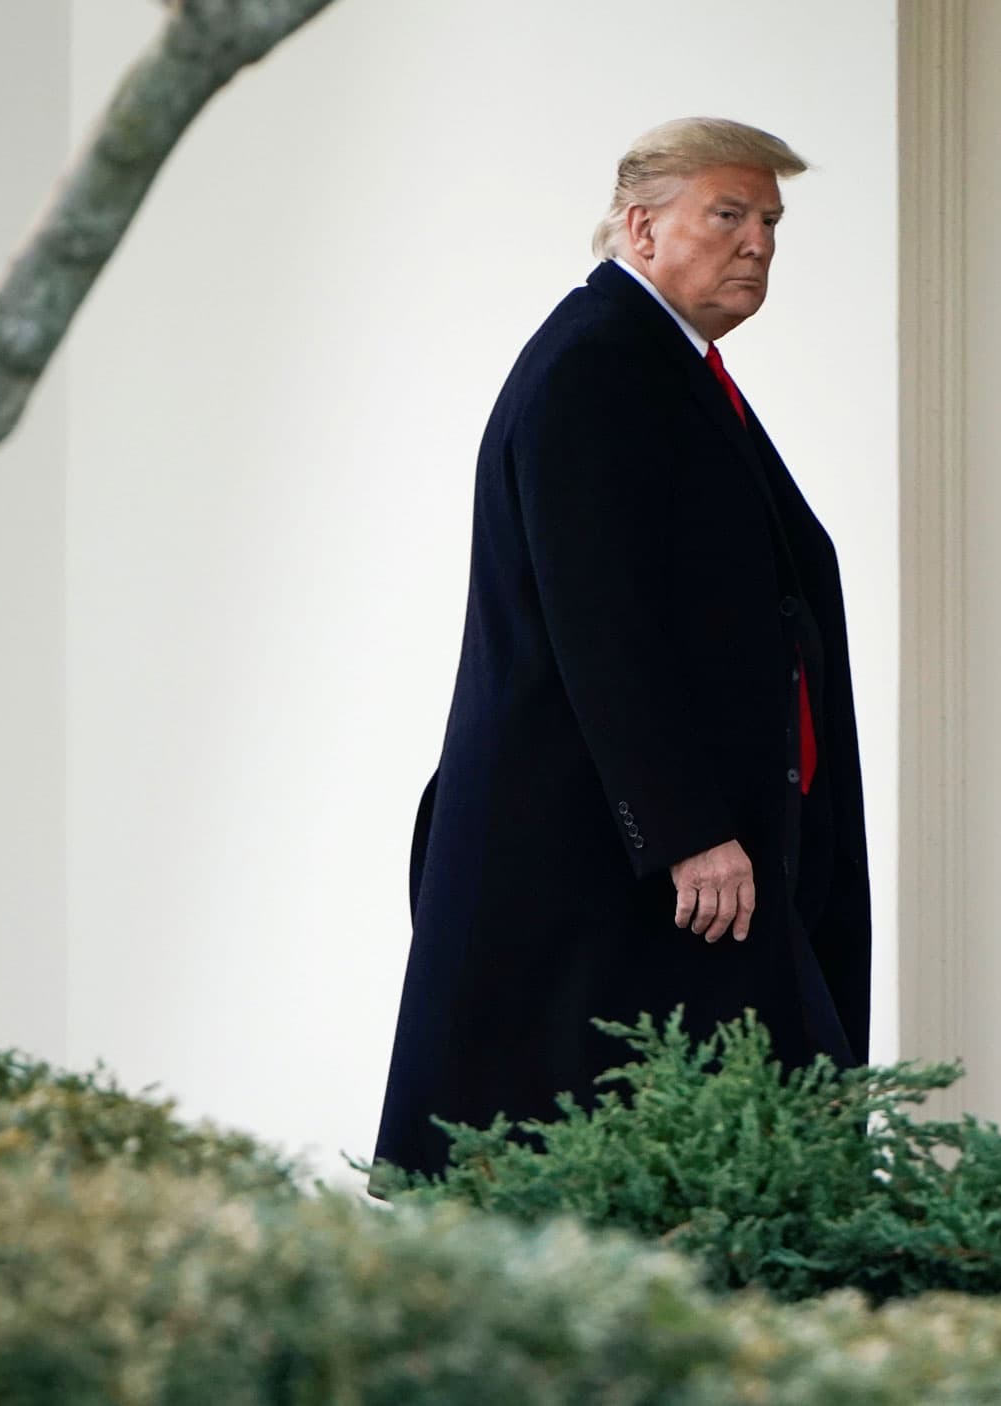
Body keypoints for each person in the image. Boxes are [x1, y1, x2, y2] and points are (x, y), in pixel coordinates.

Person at [370, 117, 872, 1180]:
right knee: (629, 1154)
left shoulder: (660, 362)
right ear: (641, 228)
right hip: (621, 870)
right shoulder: (598, 363)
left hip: (676, 865)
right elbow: (596, 615)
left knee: (726, 1144)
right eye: (728, 215)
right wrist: (687, 828)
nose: (758, 243)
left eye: (770, 222)